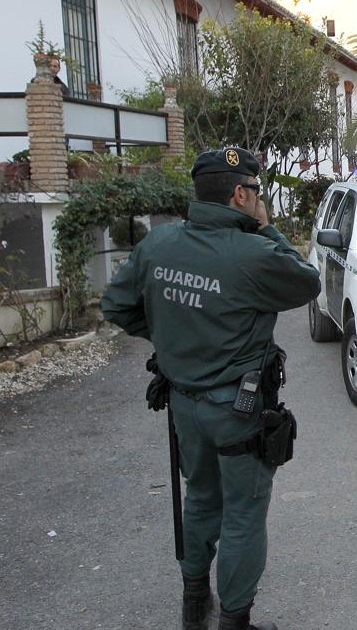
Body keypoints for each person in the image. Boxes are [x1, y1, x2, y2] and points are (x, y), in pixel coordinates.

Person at [101, 147, 320, 630]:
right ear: (241, 193)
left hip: (183, 400)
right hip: (238, 408)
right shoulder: (254, 253)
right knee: (243, 512)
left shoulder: (157, 245)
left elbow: (116, 307)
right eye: (256, 193)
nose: (259, 200)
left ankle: (194, 602)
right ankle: (234, 622)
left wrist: (171, 338)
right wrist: (267, 226)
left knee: (200, 497)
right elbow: (307, 282)